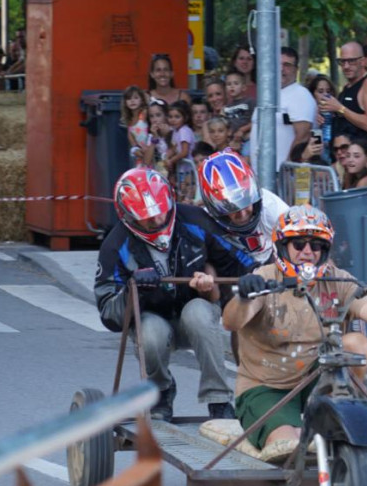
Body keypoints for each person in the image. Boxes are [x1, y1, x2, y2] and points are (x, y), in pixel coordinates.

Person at [223, 206, 367, 462]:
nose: (308, 252)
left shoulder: (338, 279)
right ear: (283, 247)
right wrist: (244, 297)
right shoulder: (264, 278)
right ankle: (299, 431)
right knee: (287, 446)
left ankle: (349, 409)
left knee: (357, 343)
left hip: (318, 381)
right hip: (266, 386)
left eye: (316, 245)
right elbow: (232, 322)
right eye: (299, 244)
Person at [94, 167, 258, 421]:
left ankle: (218, 400)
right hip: (153, 320)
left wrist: (252, 276)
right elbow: (108, 312)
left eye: (162, 213)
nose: (159, 221)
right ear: (129, 217)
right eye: (149, 219)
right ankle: (160, 391)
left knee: (199, 313)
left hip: (194, 311)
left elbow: (237, 257)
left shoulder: (194, 220)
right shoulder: (115, 246)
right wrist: (133, 290)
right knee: (150, 332)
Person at [198, 150, 290, 264]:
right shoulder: (205, 222)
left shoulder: (272, 207)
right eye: (229, 206)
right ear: (214, 206)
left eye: (246, 200)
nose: (242, 213)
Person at [321, 41, 367, 141]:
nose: (346, 66)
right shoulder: (347, 86)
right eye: (342, 61)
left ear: (362, 61)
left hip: (362, 152)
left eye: (351, 61)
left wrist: (340, 108)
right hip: (341, 151)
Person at [278, 46, 317, 163]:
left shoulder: (300, 95)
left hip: (285, 173)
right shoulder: (268, 95)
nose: (281, 69)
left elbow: (303, 136)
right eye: (278, 64)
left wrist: (289, 165)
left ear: (296, 69)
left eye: (287, 65)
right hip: (265, 173)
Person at [165, 101, 198, 203]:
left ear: (185, 117)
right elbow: (175, 148)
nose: (173, 120)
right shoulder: (176, 131)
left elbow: (184, 151)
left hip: (189, 169)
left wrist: (171, 161)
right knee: (180, 192)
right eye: (170, 117)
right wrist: (168, 156)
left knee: (187, 194)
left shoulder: (184, 130)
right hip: (182, 169)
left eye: (177, 117)